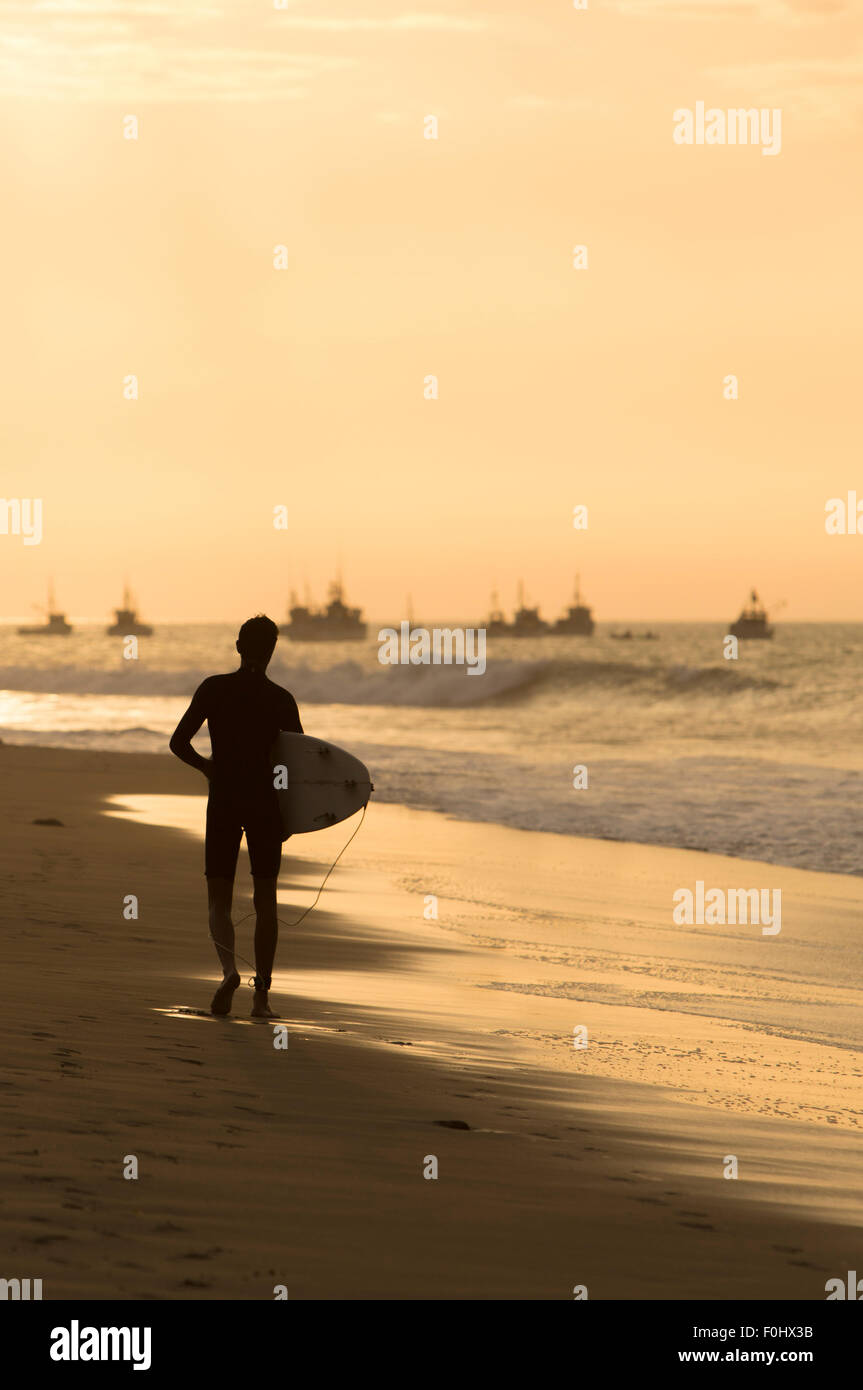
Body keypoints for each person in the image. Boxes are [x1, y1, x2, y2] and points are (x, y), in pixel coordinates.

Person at [169, 614, 303, 1018]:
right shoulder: (281, 699)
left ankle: (229, 971)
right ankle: (261, 997)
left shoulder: (214, 689)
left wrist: (209, 768)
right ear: (272, 651)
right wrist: (290, 816)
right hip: (264, 803)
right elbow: (294, 765)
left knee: (218, 899)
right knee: (266, 901)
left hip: (224, 798)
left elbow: (179, 743)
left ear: (238, 646)